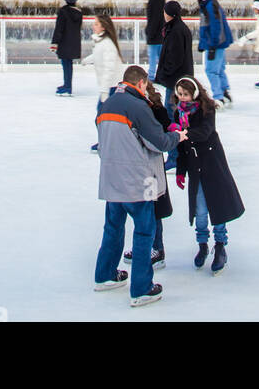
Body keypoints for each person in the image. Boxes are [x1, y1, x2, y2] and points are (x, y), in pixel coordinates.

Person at [93, 64, 186, 307]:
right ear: (141, 83)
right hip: (140, 182)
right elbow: (160, 143)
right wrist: (178, 136)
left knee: (112, 228)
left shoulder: (107, 105)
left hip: (112, 180)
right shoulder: (139, 108)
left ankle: (104, 275)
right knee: (145, 232)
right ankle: (142, 288)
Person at [173, 75, 244, 273]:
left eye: (186, 94)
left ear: (194, 93)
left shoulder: (207, 109)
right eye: (179, 94)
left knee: (217, 205)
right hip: (194, 165)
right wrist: (180, 170)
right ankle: (202, 245)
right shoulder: (178, 113)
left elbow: (205, 132)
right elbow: (180, 147)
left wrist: (183, 133)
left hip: (212, 163)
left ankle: (220, 245)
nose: (183, 98)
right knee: (200, 209)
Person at [123, 79, 174, 268]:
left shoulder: (153, 110)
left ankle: (157, 248)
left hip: (151, 169)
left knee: (153, 210)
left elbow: (160, 136)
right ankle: (144, 246)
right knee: (142, 210)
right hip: (139, 168)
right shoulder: (136, 108)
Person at [84, 11, 124, 151]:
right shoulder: (101, 42)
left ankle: (108, 143)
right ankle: (106, 142)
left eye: (96, 24)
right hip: (109, 86)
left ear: (103, 27)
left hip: (112, 87)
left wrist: (104, 90)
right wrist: (87, 60)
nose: (93, 26)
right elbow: (98, 55)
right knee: (103, 115)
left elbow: (109, 68)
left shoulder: (107, 44)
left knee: (103, 116)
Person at [154, 0, 194, 113]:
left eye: (165, 12)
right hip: (179, 78)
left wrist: (165, 72)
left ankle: (174, 130)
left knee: (171, 110)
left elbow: (175, 57)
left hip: (176, 79)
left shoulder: (176, 31)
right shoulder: (176, 28)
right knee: (176, 109)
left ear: (169, 14)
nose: (163, 14)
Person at [198, 0, 233, 107]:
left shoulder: (210, 5)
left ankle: (218, 97)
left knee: (211, 70)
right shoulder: (209, 3)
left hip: (215, 43)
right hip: (217, 42)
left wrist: (212, 44)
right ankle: (225, 92)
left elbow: (215, 26)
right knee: (219, 69)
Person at [50, 0, 83, 96]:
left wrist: (54, 43)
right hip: (74, 42)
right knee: (69, 65)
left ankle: (67, 87)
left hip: (64, 42)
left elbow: (59, 28)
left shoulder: (63, 12)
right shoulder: (79, 12)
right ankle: (67, 85)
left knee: (66, 65)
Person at [144, 0, 166, 81]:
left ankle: (151, 77)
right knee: (160, 56)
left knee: (153, 57)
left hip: (155, 34)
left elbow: (155, 18)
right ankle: (161, 75)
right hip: (159, 33)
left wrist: (150, 32)